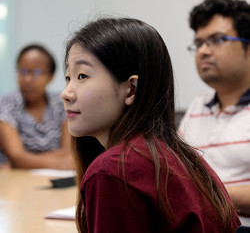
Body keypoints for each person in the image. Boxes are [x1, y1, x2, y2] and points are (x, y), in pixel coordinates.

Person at [61, 17, 240, 233]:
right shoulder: (178, 156)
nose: (66, 93)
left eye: (82, 76)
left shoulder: (113, 170)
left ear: (132, 89)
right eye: (68, 78)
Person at [179, 0, 250, 226]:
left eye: (217, 40)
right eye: (199, 43)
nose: (203, 51)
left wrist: (203, 193)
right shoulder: (197, 107)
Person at [0, 44, 74, 170]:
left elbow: (68, 152)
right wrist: (57, 163)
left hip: (55, 178)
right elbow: (17, 156)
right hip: (16, 181)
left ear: (50, 76)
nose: (27, 79)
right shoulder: (7, 104)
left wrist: (28, 161)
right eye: (22, 71)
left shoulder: (61, 103)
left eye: (37, 72)